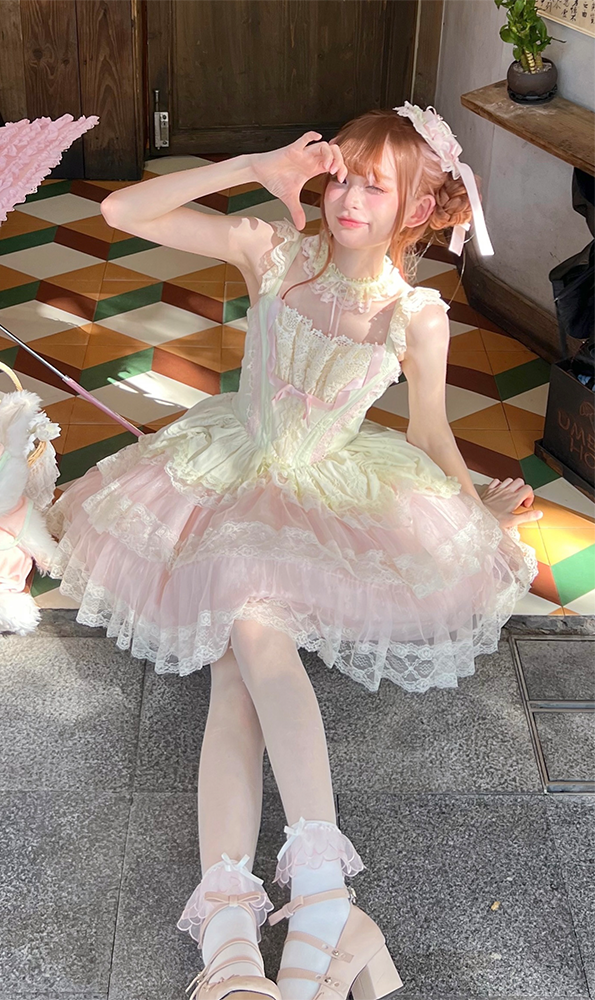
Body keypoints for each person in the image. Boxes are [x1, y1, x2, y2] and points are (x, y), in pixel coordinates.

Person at [46, 104, 543, 1000]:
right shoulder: (272, 251)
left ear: (416, 209)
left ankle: (247, 932)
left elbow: (430, 434)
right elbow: (123, 212)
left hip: (326, 494)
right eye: (341, 175)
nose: (348, 197)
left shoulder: (414, 315)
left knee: (246, 647)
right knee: (240, 660)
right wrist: (255, 165)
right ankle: (308, 909)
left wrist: (476, 516)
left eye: (375, 186)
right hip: (227, 469)